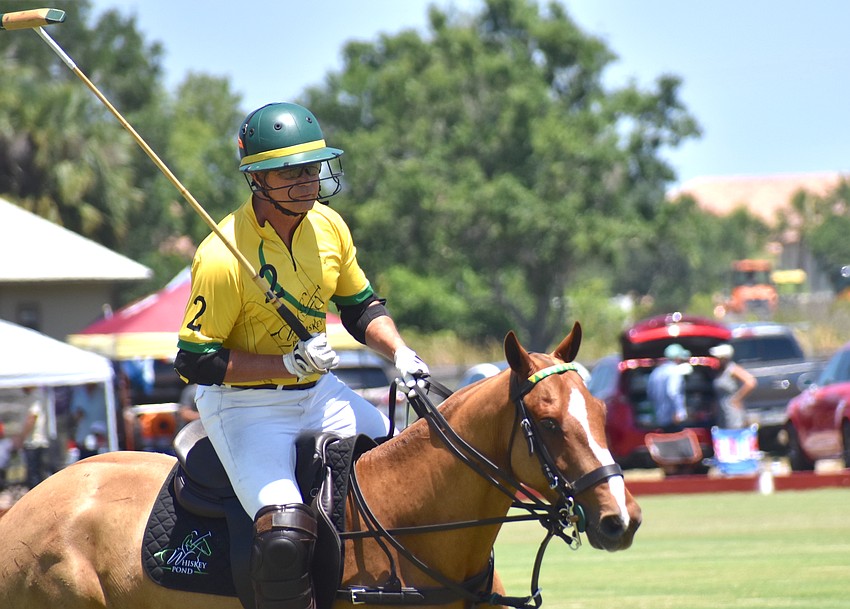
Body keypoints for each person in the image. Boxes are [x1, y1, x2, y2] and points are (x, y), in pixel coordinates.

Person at [174, 102, 429, 609]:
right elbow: (195, 361)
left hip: (319, 395)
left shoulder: (329, 227)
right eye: (292, 172)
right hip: (245, 408)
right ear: (258, 180)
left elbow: (361, 309)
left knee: (401, 471)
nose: (309, 182)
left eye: (313, 168)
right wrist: (284, 364)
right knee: (283, 531)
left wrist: (400, 352)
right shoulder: (223, 256)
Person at [709, 343, 757, 429]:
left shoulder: (732, 369)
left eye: (718, 358)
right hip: (722, 412)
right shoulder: (719, 371)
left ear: (724, 358)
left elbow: (751, 381)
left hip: (732, 411)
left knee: (733, 434)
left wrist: (737, 398)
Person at [646, 343, 692, 431]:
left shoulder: (656, 372)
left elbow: (650, 394)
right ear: (677, 358)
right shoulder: (675, 371)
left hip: (660, 418)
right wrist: (680, 412)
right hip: (673, 419)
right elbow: (673, 392)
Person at [14, 386, 52, 490]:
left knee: (35, 475)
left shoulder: (36, 397)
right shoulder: (32, 397)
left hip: (34, 442)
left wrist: (22, 437)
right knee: (37, 473)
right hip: (33, 441)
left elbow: (32, 419)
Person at [69, 383, 107, 459]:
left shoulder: (103, 392)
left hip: (101, 438)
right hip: (83, 437)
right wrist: (78, 415)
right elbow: (74, 414)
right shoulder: (78, 393)